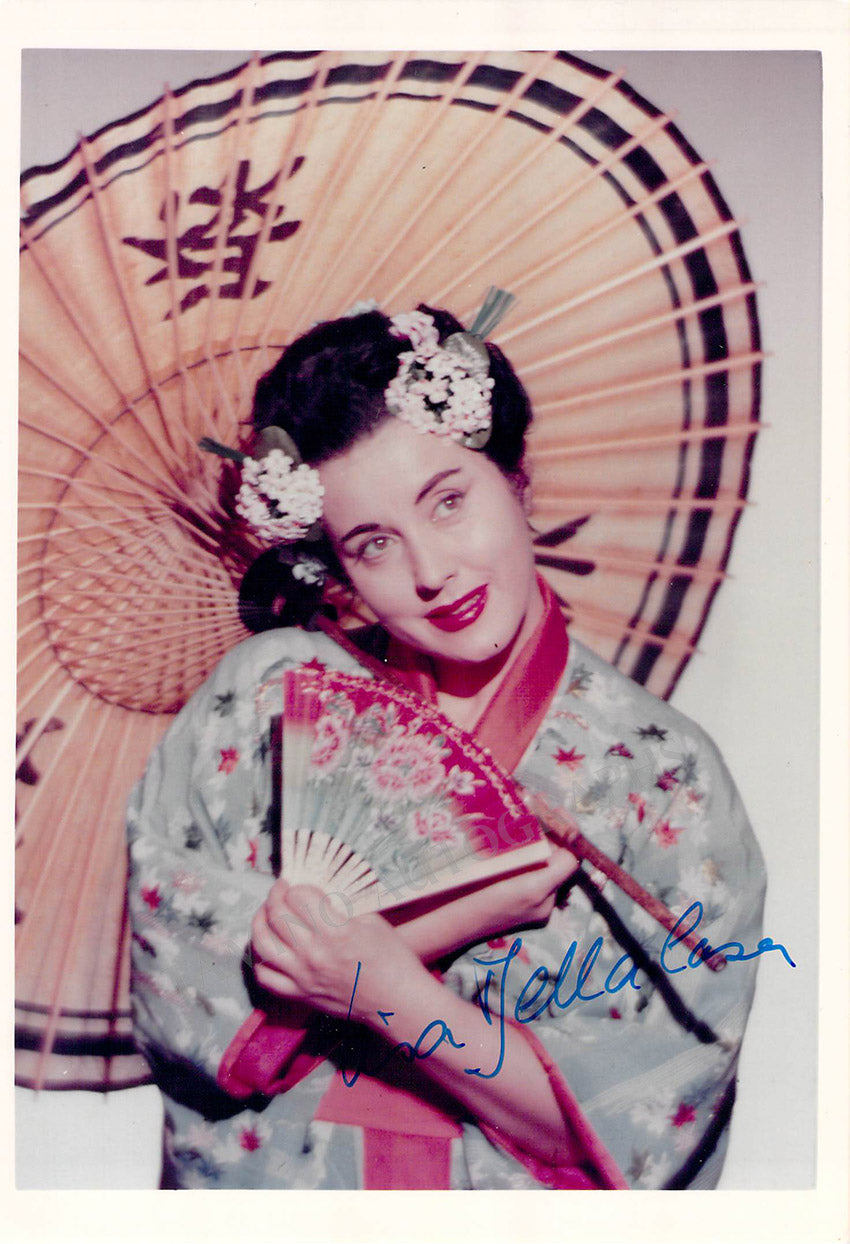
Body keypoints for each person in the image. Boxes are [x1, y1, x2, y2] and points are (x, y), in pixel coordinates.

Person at [127, 300, 766, 1190]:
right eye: (373, 544)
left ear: (519, 480)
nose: (431, 572)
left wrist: (387, 990)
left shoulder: (662, 771)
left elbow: (640, 1120)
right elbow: (180, 1000)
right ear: (335, 565)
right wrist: (450, 921)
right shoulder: (260, 706)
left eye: (450, 502)